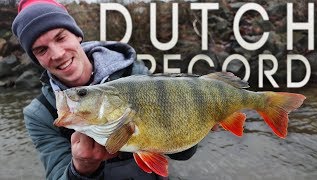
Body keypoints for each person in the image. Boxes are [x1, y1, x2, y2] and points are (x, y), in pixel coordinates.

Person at [12, 0, 197, 179]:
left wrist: (194, 122)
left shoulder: (134, 74)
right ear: (36, 59)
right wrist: (81, 168)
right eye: (41, 50)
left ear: (77, 34)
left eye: (61, 38)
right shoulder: (39, 114)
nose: (58, 54)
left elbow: (183, 154)